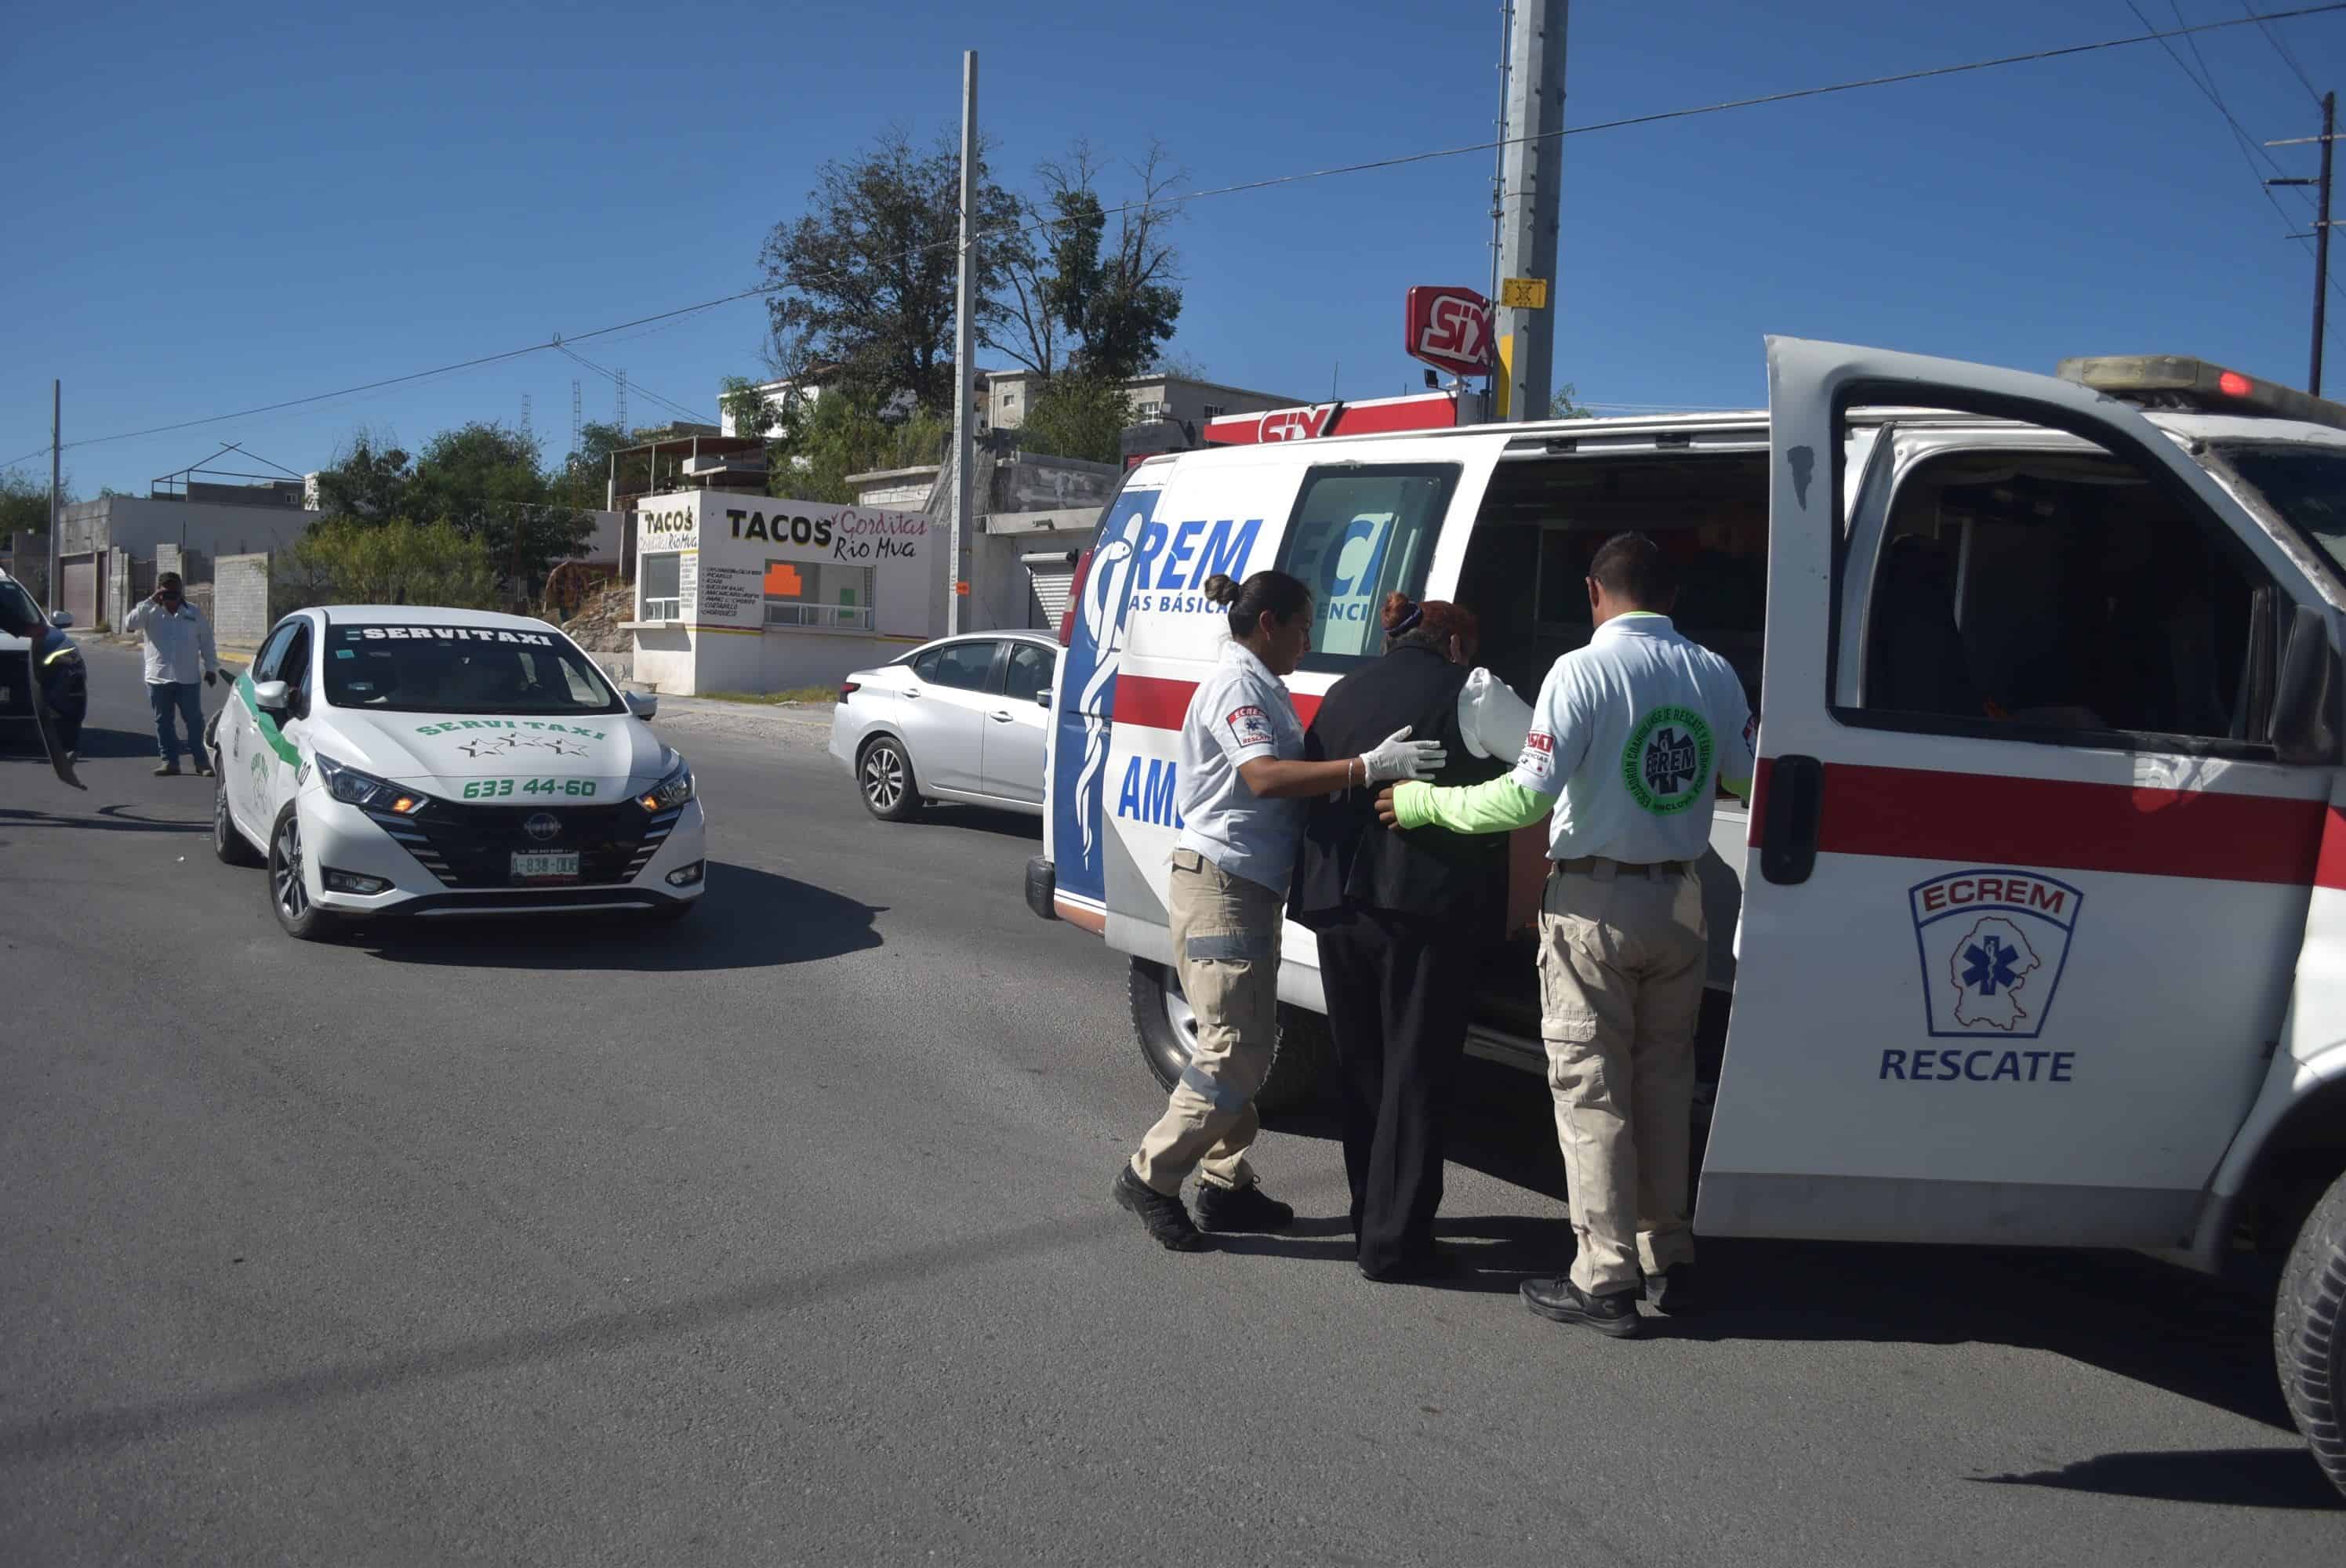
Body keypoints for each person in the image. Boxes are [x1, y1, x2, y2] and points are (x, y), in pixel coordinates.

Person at [1377, 532, 1754, 1337]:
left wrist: (1422, 803)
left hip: (1593, 903)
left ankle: (1603, 1275)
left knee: (1591, 1090)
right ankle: (1668, 1258)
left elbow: (1522, 799)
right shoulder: (1714, 672)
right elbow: (1743, 776)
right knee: (1661, 1090)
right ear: (1671, 595)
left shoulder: (1581, 669)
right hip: (1681, 905)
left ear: (1592, 591)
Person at [1116, 569, 1451, 1252]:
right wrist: (1367, 767)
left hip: (1248, 888)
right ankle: (1151, 1177)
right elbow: (1263, 777)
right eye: (1303, 626)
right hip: (1221, 886)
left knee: (1248, 1040)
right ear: (1268, 624)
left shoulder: (1261, 683)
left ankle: (1225, 1185)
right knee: (1234, 1047)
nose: (1309, 639)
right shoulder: (1238, 685)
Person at [1292, 593, 1531, 1282]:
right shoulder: (1476, 690)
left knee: (1363, 1065)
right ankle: (1396, 1243)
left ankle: (1371, 1213)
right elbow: (1549, 761)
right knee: (1417, 1071)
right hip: (1424, 910)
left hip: (1337, 905)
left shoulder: (1342, 689)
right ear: (1456, 647)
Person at [124, 573, 220, 777]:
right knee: (163, 722)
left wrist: (211, 668)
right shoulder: (149, 611)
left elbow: (207, 642)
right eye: (166, 592)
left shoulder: (193, 613)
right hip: (158, 678)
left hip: (188, 678)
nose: (171, 596)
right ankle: (169, 762)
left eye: (175, 591)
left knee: (194, 722)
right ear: (158, 590)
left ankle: (202, 762)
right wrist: (150, 600)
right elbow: (130, 624)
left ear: (181, 591)